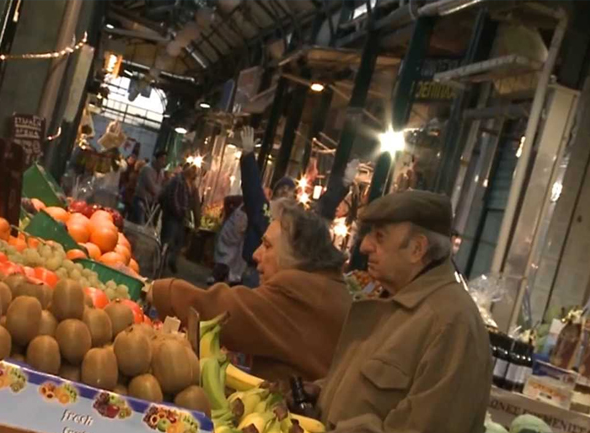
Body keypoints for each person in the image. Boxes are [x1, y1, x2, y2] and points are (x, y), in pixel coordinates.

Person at [313, 190, 492, 433]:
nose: (365, 246)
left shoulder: (451, 324)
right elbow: (366, 395)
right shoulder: (396, 303)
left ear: (417, 249)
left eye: (380, 237)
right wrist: (317, 394)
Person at [147, 200, 351, 382]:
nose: (255, 254)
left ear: (295, 256)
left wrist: (157, 289)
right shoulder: (327, 287)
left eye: (267, 246)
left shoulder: (303, 292)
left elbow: (223, 312)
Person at [239, 126, 359, 287]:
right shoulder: (264, 211)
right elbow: (252, 188)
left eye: (289, 192)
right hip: (254, 274)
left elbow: (323, 207)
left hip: (279, 278)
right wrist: (248, 157)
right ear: (274, 194)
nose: (285, 195)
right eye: (282, 190)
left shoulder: (296, 222)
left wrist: (343, 184)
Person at [159, 164, 199, 273]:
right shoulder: (177, 181)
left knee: (178, 242)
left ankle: (170, 260)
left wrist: (196, 220)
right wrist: (177, 211)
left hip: (181, 218)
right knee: (168, 240)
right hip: (172, 216)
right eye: (191, 169)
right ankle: (160, 263)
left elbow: (195, 204)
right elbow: (172, 197)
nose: (193, 172)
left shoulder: (192, 186)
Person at [209, 195, 247, 285]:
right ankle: (215, 278)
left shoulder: (256, 208)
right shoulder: (240, 200)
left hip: (238, 239)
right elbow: (227, 199)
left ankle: (219, 279)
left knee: (230, 260)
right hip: (229, 233)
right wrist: (227, 213)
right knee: (225, 259)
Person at [131, 150, 167, 225]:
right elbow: (152, 187)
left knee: (145, 224)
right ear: (157, 159)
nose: (163, 162)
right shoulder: (147, 169)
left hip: (150, 202)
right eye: (162, 159)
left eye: (165, 160)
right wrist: (161, 191)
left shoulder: (161, 172)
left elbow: (161, 185)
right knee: (139, 223)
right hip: (141, 200)